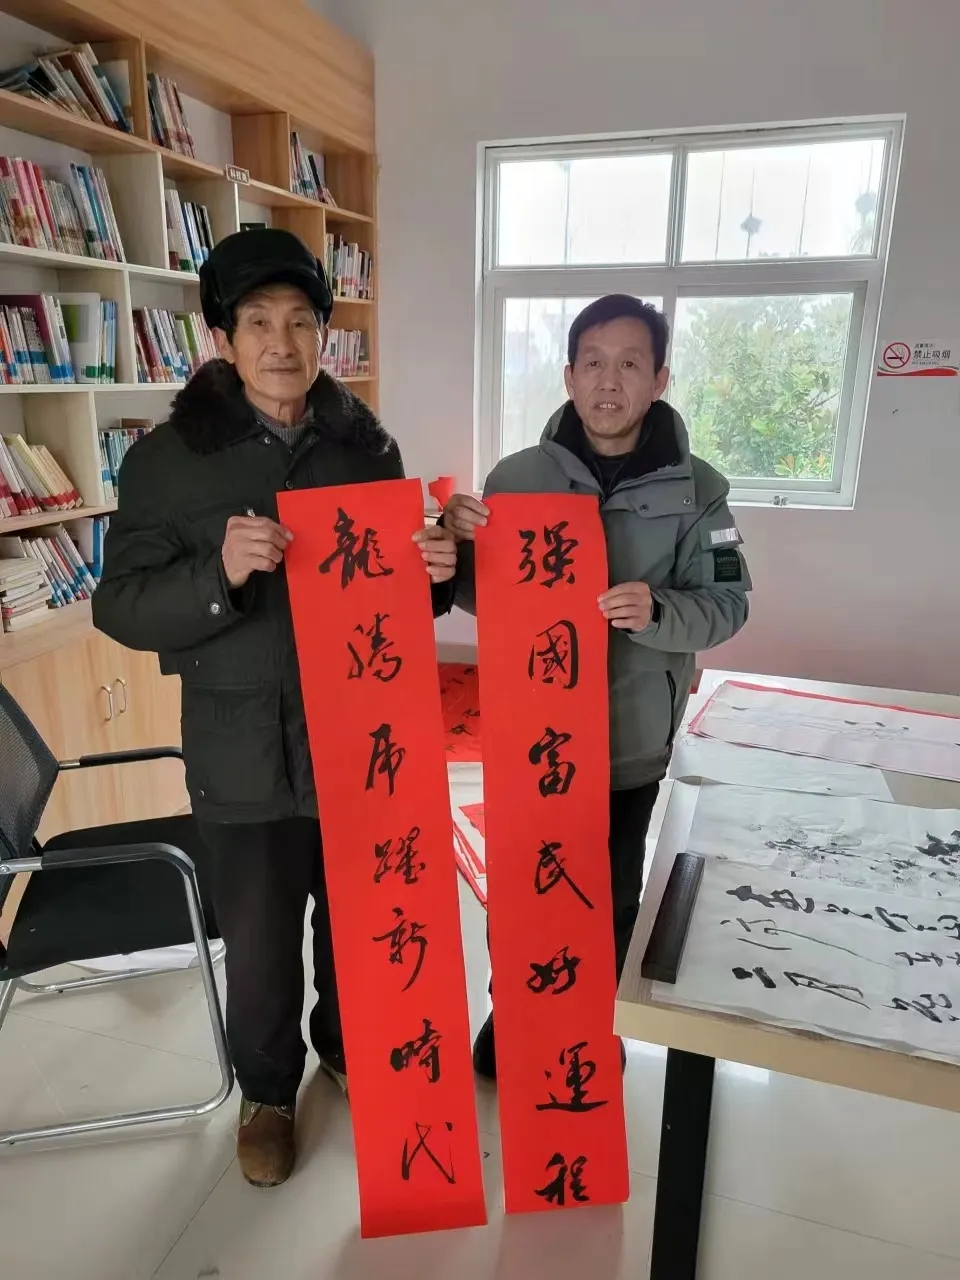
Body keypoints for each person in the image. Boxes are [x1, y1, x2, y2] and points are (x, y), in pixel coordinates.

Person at [93, 228, 458, 1187]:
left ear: (324, 335)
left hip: (358, 740)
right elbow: (119, 605)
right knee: (257, 944)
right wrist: (216, 574)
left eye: (300, 321)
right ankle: (267, 1094)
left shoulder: (365, 445)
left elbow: (395, 596)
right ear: (223, 338)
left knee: (358, 919)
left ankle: (347, 1048)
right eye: (257, 323)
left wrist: (437, 574)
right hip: (240, 747)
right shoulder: (168, 460)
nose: (281, 343)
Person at [445, 293, 751, 1080]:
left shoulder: (700, 491)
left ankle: (588, 1027)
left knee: (607, 895)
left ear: (660, 379)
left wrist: (658, 611)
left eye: (629, 364)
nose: (609, 381)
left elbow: (728, 605)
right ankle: (515, 1015)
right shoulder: (515, 478)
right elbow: (489, 596)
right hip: (531, 737)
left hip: (627, 741)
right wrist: (454, 548)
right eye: (593, 363)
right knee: (523, 890)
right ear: (570, 375)